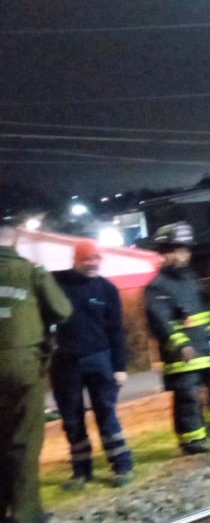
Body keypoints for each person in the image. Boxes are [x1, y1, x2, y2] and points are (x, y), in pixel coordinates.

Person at [0, 224, 72, 523]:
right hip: (23, 366)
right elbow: (62, 309)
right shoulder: (31, 272)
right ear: (14, 240)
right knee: (25, 440)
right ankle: (25, 513)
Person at [50, 241, 134, 490]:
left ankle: (121, 466)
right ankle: (81, 472)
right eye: (88, 259)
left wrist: (119, 367)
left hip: (100, 359)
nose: (93, 263)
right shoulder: (56, 283)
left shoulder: (107, 289)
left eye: (97, 259)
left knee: (107, 414)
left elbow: (116, 330)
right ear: (75, 259)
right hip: (65, 363)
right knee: (72, 420)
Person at [144, 222, 210, 455]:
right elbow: (161, 323)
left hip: (206, 350)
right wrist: (181, 344)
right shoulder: (156, 287)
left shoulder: (191, 280)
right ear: (163, 253)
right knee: (188, 397)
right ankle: (192, 441)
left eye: (186, 249)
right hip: (182, 355)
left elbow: (209, 312)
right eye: (178, 249)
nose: (184, 255)